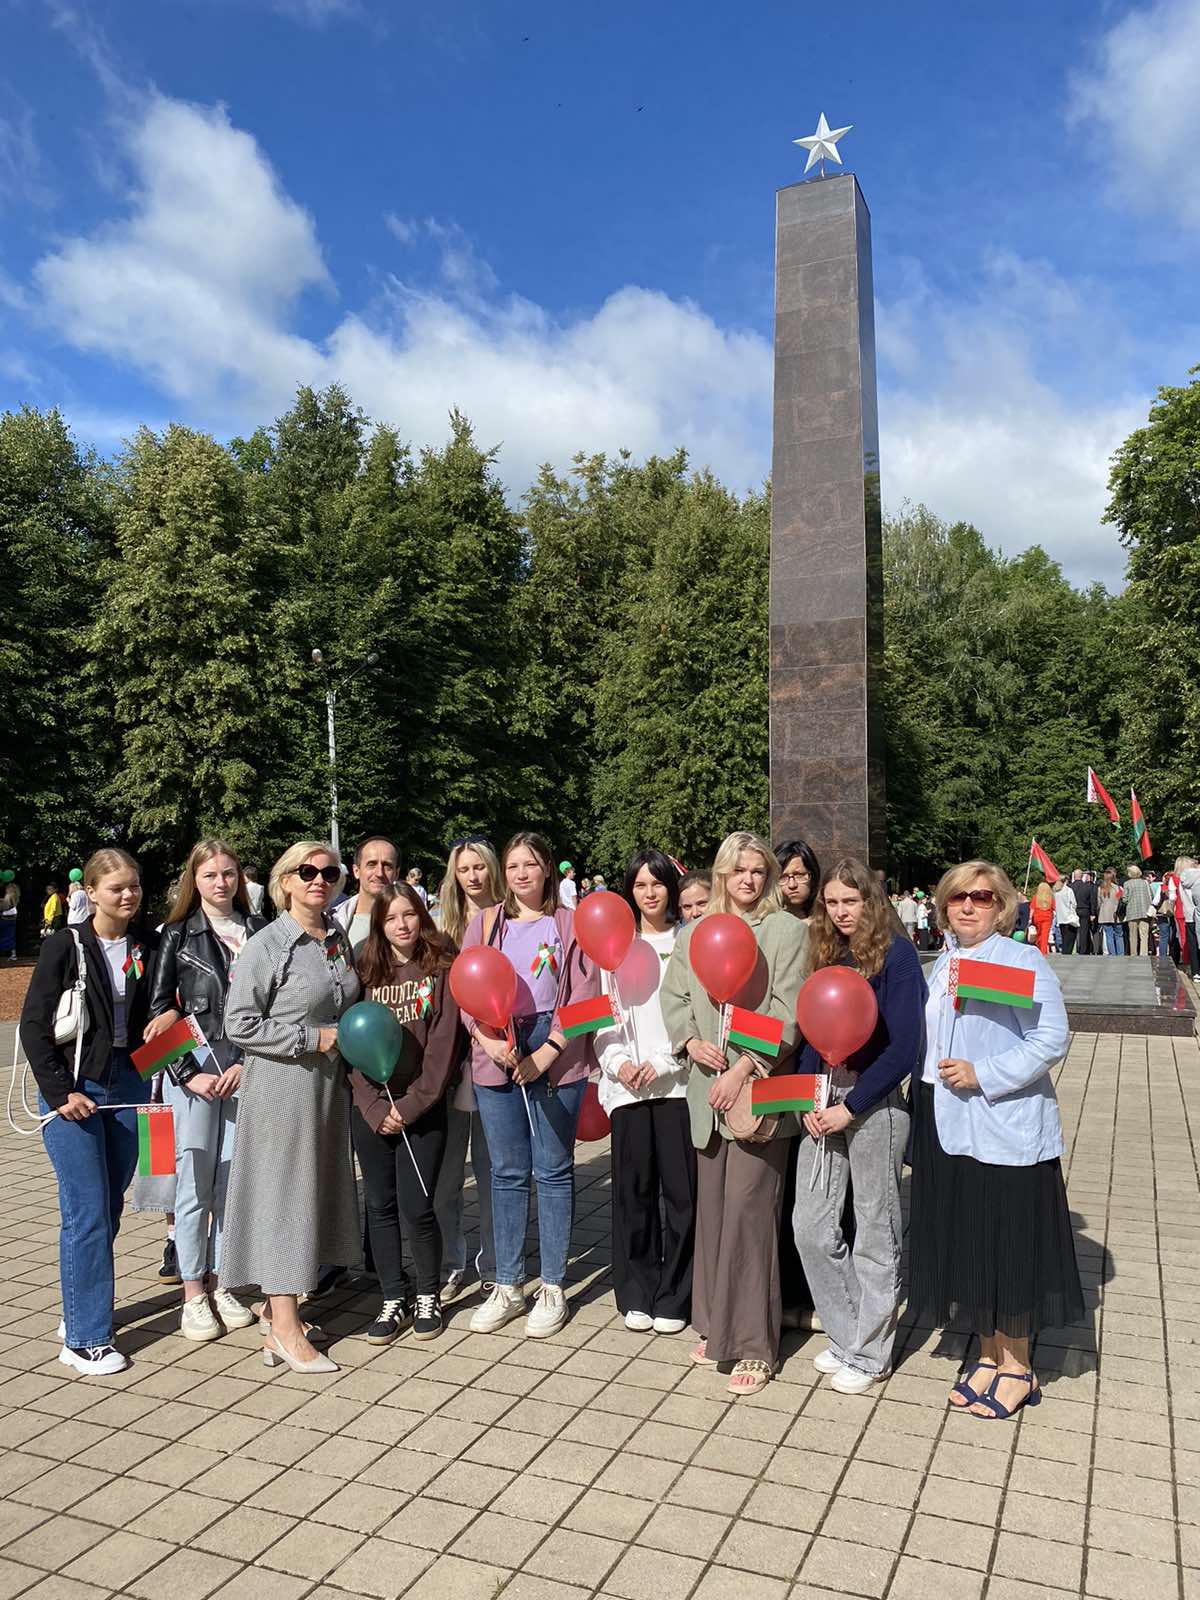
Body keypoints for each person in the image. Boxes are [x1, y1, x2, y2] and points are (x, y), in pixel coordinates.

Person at [908, 860, 1081, 1419]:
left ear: (1002, 906)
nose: (967, 906)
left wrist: (986, 1074)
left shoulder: (1021, 958)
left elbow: (1053, 1037)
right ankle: (986, 1354)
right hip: (949, 1127)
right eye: (957, 897)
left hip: (1005, 1127)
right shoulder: (945, 962)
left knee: (1009, 1246)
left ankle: (1018, 1367)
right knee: (973, 1242)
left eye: (981, 897)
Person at [660, 831, 807, 1397]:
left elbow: (789, 1010)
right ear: (720, 876)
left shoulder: (787, 931)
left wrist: (743, 1067)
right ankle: (717, 1325)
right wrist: (691, 1042)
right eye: (737, 871)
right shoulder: (694, 931)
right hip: (705, 1091)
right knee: (717, 1213)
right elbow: (675, 1000)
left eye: (758, 871)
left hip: (757, 1092)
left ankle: (752, 1345)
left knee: (750, 1213)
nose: (748, 880)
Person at [220, 841, 362, 1376]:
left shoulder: (337, 939)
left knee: (311, 1195)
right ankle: (283, 1328)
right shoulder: (268, 944)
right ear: (285, 882)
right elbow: (240, 1023)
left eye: (329, 872)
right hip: (281, 1088)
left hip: (326, 1088)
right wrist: (312, 1038)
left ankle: (285, 1314)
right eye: (307, 872)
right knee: (285, 1198)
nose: (318, 880)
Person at [20, 848, 159, 1375]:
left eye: (134, 886)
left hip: (129, 1083)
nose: (128, 895)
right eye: (117, 887)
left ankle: (79, 1302)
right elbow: (33, 1027)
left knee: (110, 1205)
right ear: (93, 892)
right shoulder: (66, 945)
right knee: (87, 1213)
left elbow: (156, 1018)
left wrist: (167, 1076)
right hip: (75, 1089)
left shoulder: (149, 943)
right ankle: (84, 1337)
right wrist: (60, 1094)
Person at [792, 859, 924, 1393]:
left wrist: (854, 1104)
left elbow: (905, 1046)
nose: (842, 912)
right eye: (832, 902)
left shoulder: (898, 956)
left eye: (852, 901)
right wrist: (807, 1094)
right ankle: (847, 1333)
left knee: (875, 1230)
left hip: (875, 1106)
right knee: (811, 1225)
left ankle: (871, 1353)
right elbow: (809, 1030)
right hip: (824, 1103)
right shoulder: (827, 952)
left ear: (871, 901)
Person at [460, 831, 597, 1340]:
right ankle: (509, 1282)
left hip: (554, 1050)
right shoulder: (485, 923)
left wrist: (547, 1052)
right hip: (498, 1046)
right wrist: (488, 1040)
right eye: (514, 865)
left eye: (531, 865)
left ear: (547, 872)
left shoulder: (569, 925)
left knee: (554, 1170)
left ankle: (554, 1284)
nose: (522, 874)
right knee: (507, 1172)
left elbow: (585, 995)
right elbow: (466, 989)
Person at [146, 839, 266, 1341]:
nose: (221, 883)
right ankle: (193, 1292)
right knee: (193, 1185)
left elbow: (277, 1008)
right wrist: (186, 1074)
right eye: (210, 875)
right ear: (193, 881)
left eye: (229, 873)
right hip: (193, 1078)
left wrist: (248, 1062)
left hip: (248, 1073)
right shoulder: (176, 936)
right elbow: (155, 1020)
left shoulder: (262, 931)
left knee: (233, 1186)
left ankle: (224, 1282)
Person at [351, 883, 463, 1343]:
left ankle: (427, 1294)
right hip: (372, 1110)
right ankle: (392, 1295)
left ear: (422, 916)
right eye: (392, 918)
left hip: (423, 1110)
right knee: (379, 1205)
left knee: (418, 1207)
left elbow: (443, 1050)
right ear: (380, 924)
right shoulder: (365, 971)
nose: (402, 925)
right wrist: (375, 1107)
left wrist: (413, 1106)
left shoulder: (440, 968)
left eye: (410, 915)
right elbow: (350, 1042)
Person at [596, 850, 694, 1335]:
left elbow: (698, 1016)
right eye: (639, 885)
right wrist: (618, 1063)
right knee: (632, 1193)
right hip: (628, 1088)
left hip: (676, 1084)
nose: (649, 893)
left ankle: (676, 1293)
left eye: (657, 883)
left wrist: (662, 1062)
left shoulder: (689, 940)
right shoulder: (612, 946)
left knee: (681, 1196)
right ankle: (636, 1289)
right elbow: (602, 1019)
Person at [435, 837, 501, 1303]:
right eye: (464, 869)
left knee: (494, 1169)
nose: (473, 876)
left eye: (480, 867)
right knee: (447, 1174)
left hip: (497, 1057)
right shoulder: (442, 930)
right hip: (449, 1065)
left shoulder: (507, 920)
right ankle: (451, 1260)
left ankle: (496, 1262)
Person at [773, 838, 822, 1332]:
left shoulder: (826, 927)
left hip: (814, 1059)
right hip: (773, 1061)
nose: (791, 883)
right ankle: (782, 1291)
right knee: (779, 1179)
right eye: (783, 875)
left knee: (816, 1179)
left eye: (799, 875)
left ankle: (813, 1291)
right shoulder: (765, 927)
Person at [334, 836, 399, 954]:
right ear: (356, 871)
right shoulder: (333, 921)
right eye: (371, 864)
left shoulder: (411, 923)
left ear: (396, 873)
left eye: (387, 866)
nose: (379, 873)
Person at [775, 839, 820, 922]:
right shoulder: (767, 922)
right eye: (783, 877)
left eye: (799, 875)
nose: (792, 885)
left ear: (813, 876)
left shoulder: (829, 918)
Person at [1121, 864, 1153, 957]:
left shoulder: (1127, 884)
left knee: (1133, 935)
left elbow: (1125, 899)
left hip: (1132, 912)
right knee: (1144, 935)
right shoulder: (1145, 882)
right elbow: (1151, 895)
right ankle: (1144, 954)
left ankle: (1133, 954)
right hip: (1144, 911)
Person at [1069, 869, 1097, 955]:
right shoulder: (1088, 887)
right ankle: (1083, 950)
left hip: (1073, 911)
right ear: (1082, 876)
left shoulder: (1070, 887)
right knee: (1084, 931)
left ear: (1074, 876)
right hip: (1085, 910)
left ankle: (1072, 948)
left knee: (1072, 931)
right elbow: (1092, 901)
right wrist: (1093, 913)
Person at [1096, 871, 1122, 956]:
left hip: (1104, 915)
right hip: (1116, 914)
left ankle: (1112, 954)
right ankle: (1120, 954)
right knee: (1119, 935)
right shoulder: (1118, 888)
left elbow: (1099, 902)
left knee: (1109, 936)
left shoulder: (1100, 889)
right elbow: (1120, 900)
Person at [1027, 880, 1055, 956]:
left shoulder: (1036, 897)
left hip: (1037, 917)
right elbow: (1054, 908)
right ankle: (1043, 951)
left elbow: (1032, 909)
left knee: (1039, 935)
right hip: (1047, 918)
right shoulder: (1050, 898)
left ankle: (1039, 948)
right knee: (1045, 935)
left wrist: (1029, 919)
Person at [1053, 876, 1079, 955]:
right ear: (1066, 881)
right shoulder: (1068, 890)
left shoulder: (1056, 891)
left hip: (1060, 918)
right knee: (1071, 937)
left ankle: (1064, 952)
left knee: (1064, 937)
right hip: (1069, 917)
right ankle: (1068, 953)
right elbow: (1074, 903)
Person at [1, 875, 19, 960]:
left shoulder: (8, 896)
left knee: (4, 935)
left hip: (5, 918)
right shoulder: (16, 896)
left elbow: (5, 906)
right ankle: (13, 954)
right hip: (13, 919)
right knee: (11, 936)